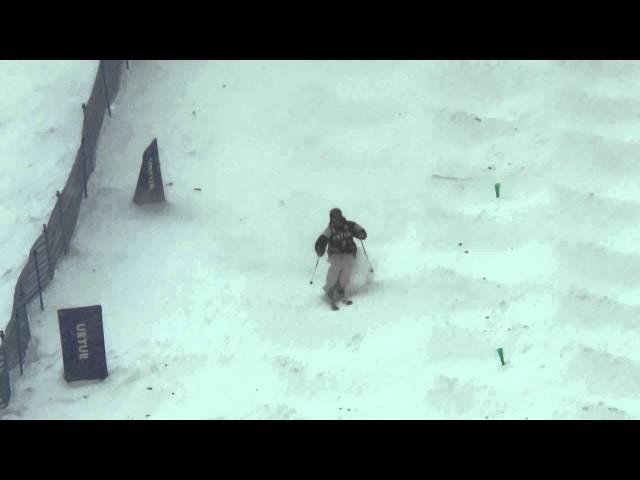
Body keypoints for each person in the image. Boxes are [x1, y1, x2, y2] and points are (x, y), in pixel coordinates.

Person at [314, 208, 367, 304]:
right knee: (336, 267)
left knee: (347, 268)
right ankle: (330, 288)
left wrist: (361, 233)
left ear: (341, 216)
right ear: (331, 218)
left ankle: (341, 288)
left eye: (338, 217)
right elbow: (322, 239)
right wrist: (320, 247)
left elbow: (358, 229)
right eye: (334, 218)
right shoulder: (330, 229)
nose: (336, 220)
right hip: (335, 253)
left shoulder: (349, 225)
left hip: (348, 251)